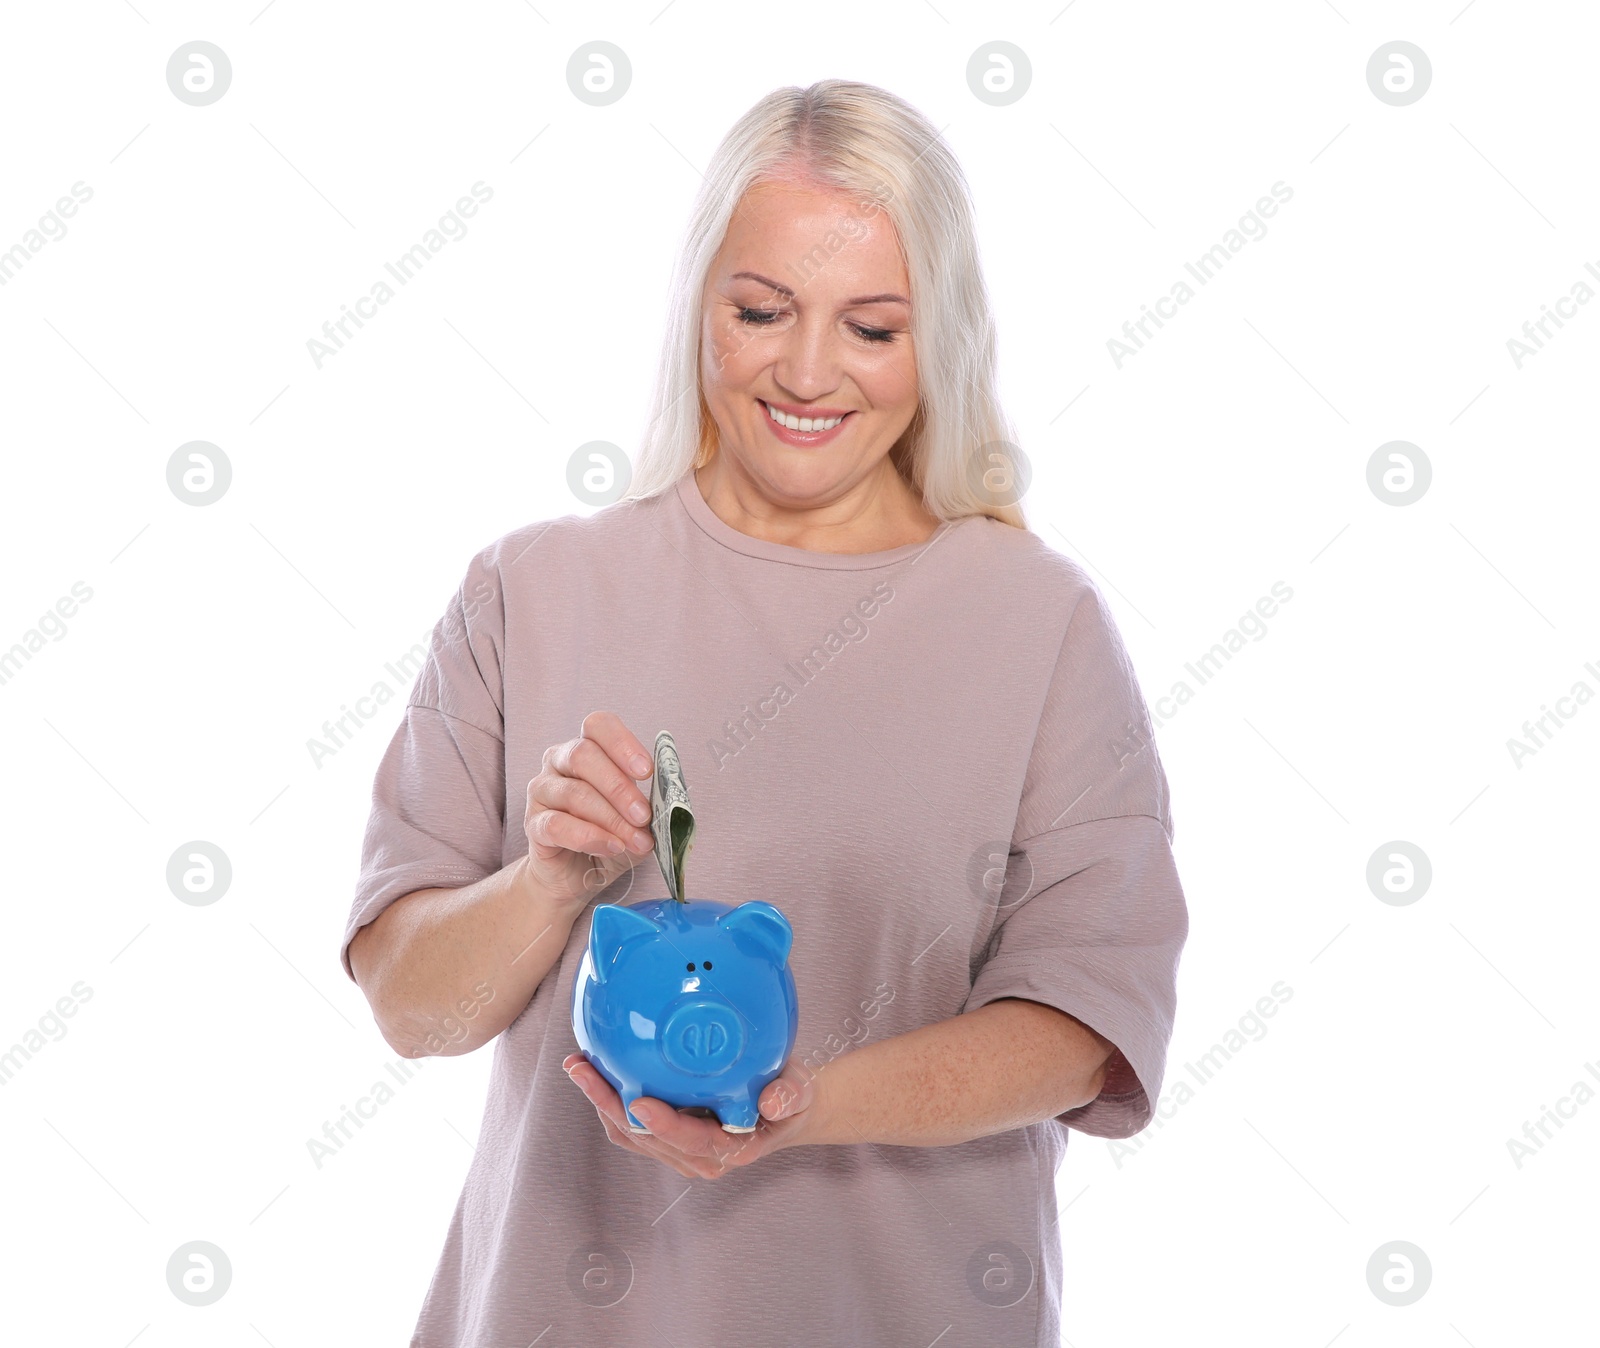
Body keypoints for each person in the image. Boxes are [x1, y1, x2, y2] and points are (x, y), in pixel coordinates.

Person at [342, 78, 1188, 1348]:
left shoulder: (1038, 620)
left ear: (939, 339)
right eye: (762, 310)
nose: (806, 371)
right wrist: (552, 883)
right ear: (699, 314)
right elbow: (416, 1009)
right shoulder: (529, 589)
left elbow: (1085, 1030)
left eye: (871, 326)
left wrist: (799, 1103)